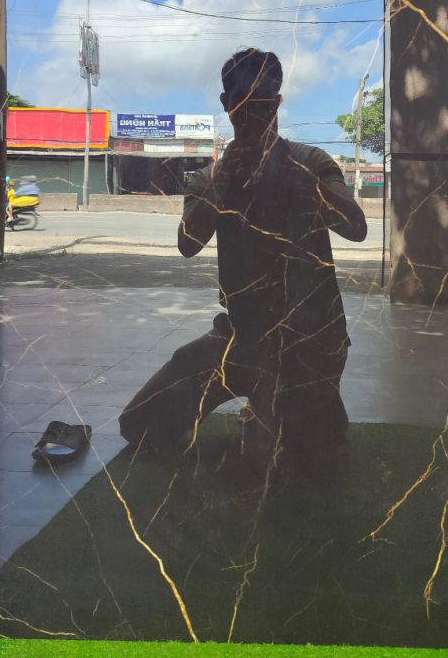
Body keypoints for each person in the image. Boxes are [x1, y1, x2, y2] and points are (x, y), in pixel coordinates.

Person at [119, 48, 367, 473]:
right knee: (140, 423)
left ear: (278, 104)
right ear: (226, 105)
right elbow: (187, 244)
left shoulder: (310, 163)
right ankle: (286, 409)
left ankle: (303, 410)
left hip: (310, 342)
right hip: (241, 337)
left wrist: (301, 181)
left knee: (289, 465)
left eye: (264, 106)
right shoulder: (211, 178)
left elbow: (356, 226)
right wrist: (220, 188)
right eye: (243, 107)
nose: (253, 118)